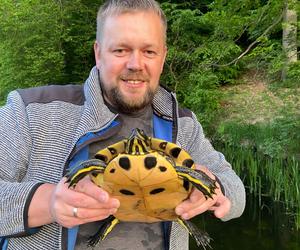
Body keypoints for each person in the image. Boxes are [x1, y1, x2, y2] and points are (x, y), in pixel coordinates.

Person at [0, 0, 246, 249]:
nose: (135, 64)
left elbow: (236, 192)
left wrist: (215, 189)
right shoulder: (30, 110)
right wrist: (49, 202)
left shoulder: (183, 125)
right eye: (120, 50)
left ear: (163, 58)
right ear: (98, 53)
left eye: (149, 52)